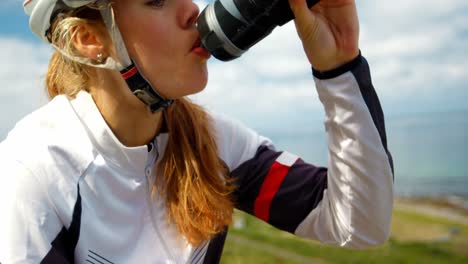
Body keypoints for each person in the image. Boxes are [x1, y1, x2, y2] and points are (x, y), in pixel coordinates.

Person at [0, 0, 394, 263]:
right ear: (90, 39)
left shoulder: (215, 142)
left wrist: (339, 67)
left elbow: (358, 224)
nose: (191, 9)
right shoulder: (35, 171)